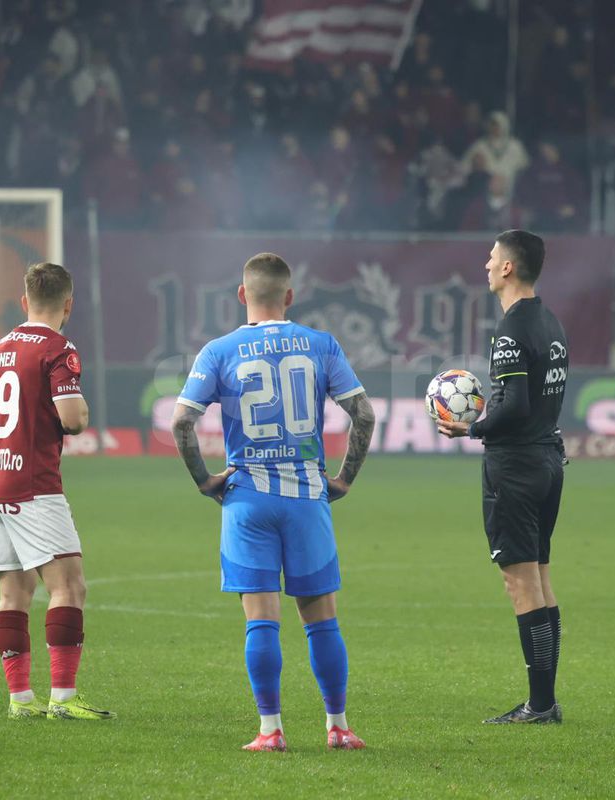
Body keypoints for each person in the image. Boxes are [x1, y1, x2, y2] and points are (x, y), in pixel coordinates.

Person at [171, 253, 376, 752]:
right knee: (321, 617)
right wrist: (344, 479)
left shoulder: (218, 350)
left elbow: (181, 422)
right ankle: (339, 727)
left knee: (261, 618)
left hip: (248, 499)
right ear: (289, 296)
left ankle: (270, 730)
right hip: (307, 495)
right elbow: (364, 415)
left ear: (242, 295)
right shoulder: (320, 345)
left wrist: (205, 481)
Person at [0, 262, 115, 721]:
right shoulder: (58, 348)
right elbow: (72, 418)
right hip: (34, 485)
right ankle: (63, 697)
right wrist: (82, 412)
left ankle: (20, 701)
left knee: (13, 594)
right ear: (68, 306)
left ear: (24, 302)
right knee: (69, 586)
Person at [437, 230, 569, 724]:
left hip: (515, 467)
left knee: (521, 585)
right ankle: (545, 700)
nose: (486, 265)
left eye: (491, 258)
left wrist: (471, 427)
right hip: (548, 462)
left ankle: (538, 704)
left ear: (510, 267)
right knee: (540, 579)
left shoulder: (512, 331)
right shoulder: (551, 322)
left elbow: (514, 405)